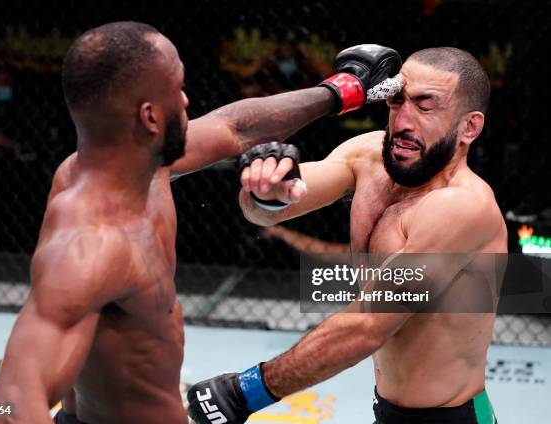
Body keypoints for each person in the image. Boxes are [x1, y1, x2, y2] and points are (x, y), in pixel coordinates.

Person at [0, 21, 401, 424]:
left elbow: (234, 127)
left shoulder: (139, 164)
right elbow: (11, 408)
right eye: (177, 90)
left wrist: (342, 91)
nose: (187, 101)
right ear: (150, 118)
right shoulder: (94, 244)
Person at [188, 47, 506, 424]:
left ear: (469, 127)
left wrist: (245, 391)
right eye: (397, 100)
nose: (403, 120)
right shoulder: (369, 155)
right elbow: (263, 211)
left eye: (426, 106)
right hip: (387, 409)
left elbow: (367, 326)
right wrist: (266, 192)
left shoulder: (463, 207)